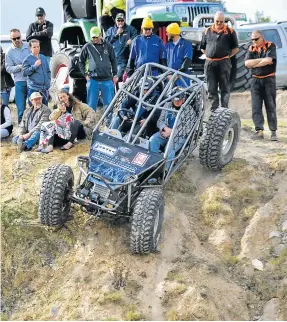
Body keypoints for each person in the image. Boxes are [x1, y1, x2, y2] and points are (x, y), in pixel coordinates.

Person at [200, 11, 239, 111]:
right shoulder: (206, 31)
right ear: (214, 21)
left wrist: (227, 56)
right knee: (211, 88)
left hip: (224, 63)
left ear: (224, 21)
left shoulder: (230, 32)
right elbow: (203, 48)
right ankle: (214, 111)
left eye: (221, 22)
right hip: (210, 64)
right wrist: (210, 54)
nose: (219, 24)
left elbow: (236, 48)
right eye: (217, 21)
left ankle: (224, 110)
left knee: (224, 87)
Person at [245, 30, 278, 141]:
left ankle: (273, 132)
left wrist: (254, 63)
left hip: (269, 79)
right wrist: (260, 61)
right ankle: (259, 131)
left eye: (256, 39)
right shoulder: (251, 48)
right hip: (255, 81)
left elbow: (268, 60)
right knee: (256, 107)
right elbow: (246, 64)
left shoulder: (270, 46)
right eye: (252, 39)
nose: (254, 41)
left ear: (262, 37)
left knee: (270, 106)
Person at [79, 26, 118, 112]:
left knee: (109, 104)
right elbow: (80, 62)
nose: (94, 39)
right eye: (93, 37)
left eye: (96, 37)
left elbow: (113, 60)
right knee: (91, 105)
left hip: (107, 79)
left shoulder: (108, 46)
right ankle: (91, 123)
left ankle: (108, 123)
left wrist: (115, 74)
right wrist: (85, 75)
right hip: (93, 80)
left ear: (100, 35)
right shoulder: (87, 47)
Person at [149, 87, 186, 168]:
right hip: (164, 132)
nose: (176, 102)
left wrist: (171, 132)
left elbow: (186, 130)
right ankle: (152, 166)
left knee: (169, 149)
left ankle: (165, 171)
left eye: (179, 100)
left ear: (183, 99)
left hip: (178, 137)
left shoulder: (188, 110)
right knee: (152, 140)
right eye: (175, 100)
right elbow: (159, 121)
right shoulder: (167, 105)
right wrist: (165, 128)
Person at [5, 29, 30, 123]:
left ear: (21, 36)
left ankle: (35, 128)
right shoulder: (9, 52)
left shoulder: (28, 46)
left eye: (18, 37)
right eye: (14, 38)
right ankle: (21, 130)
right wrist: (19, 67)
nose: (16, 40)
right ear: (11, 39)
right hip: (19, 81)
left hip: (31, 80)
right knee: (20, 108)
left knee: (34, 106)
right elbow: (8, 68)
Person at [105, 13, 138, 82]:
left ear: (124, 20)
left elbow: (137, 36)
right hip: (111, 60)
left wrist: (132, 40)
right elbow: (106, 42)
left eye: (122, 20)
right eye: (118, 20)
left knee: (118, 76)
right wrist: (116, 34)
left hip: (123, 60)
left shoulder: (130, 29)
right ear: (115, 21)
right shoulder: (110, 30)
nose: (120, 22)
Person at [23, 39, 51, 106]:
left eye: (38, 46)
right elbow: (24, 72)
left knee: (45, 110)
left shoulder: (43, 57)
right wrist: (35, 66)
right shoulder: (27, 59)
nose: (36, 49)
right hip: (34, 89)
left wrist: (48, 81)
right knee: (34, 110)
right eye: (34, 47)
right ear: (30, 48)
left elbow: (48, 71)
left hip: (44, 89)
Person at [165, 23, 193, 87]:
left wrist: (177, 74)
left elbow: (187, 60)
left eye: (168, 32)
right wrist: (168, 74)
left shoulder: (186, 44)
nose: (166, 34)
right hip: (170, 78)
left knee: (182, 96)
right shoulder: (168, 45)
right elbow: (165, 60)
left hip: (182, 78)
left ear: (173, 33)